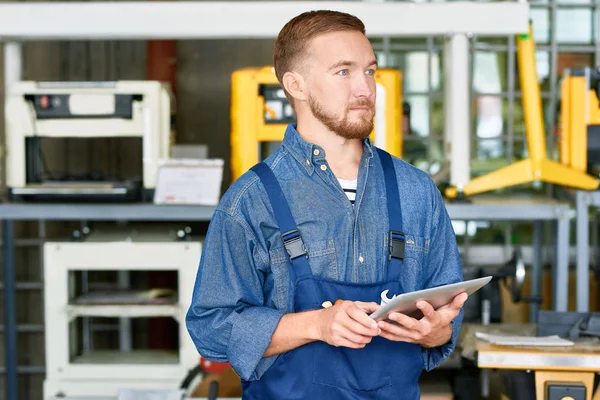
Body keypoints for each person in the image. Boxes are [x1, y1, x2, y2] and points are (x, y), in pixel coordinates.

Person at [186, 9, 466, 400]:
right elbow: (211, 328)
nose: (365, 88)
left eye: (369, 71)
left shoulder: (416, 190)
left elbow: (447, 311)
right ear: (296, 85)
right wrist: (317, 325)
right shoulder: (251, 201)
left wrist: (439, 331)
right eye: (343, 72)